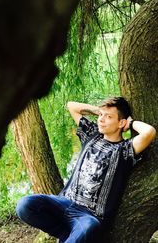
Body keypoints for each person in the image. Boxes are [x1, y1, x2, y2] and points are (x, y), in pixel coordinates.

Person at [16, 97, 156, 243]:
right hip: (64, 203)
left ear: (121, 123)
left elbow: (149, 132)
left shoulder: (124, 150)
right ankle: (66, 235)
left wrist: (131, 122)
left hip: (87, 216)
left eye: (108, 117)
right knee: (24, 206)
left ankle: (72, 237)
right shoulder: (92, 135)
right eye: (101, 115)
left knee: (89, 227)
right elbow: (72, 106)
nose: (101, 119)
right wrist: (99, 111)